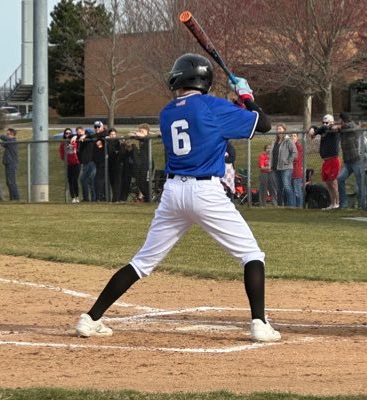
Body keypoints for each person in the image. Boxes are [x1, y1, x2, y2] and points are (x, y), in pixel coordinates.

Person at [75, 53, 280, 342]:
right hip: (206, 192)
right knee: (251, 255)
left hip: (172, 193)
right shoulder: (211, 106)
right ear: (205, 80)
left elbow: (206, 122)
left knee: (142, 262)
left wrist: (235, 104)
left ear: (179, 77)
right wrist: (246, 96)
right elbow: (265, 125)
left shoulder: (167, 111)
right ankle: (259, 323)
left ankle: (90, 318)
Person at [308, 114, 341, 210]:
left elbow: (330, 128)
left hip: (333, 159)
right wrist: (312, 128)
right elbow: (316, 128)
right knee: (328, 183)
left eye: (327, 122)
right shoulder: (323, 130)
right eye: (324, 122)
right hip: (325, 161)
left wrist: (316, 130)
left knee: (333, 182)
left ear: (331, 122)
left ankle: (337, 203)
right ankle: (332, 203)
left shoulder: (333, 130)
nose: (325, 124)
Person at [335, 112, 366, 210]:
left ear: (344, 120)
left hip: (357, 160)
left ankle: (362, 206)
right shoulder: (343, 129)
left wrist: (339, 126)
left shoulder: (352, 127)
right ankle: (343, 204)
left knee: (360, 184)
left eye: (340, 120)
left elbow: (351, 125)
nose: (339, 121)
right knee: (340, 178)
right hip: (348, 162)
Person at [269, 124, 297, 207]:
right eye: (277, 129)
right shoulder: (274, 142)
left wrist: (288, 161)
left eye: (280, 129)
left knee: (287, 186)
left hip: (286, 167)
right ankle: (280, 205)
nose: (278, 131)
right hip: (275, 168)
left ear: (284, 130)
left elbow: (294, 152)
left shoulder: (288, 141)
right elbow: (272, 154)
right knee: (279, 188)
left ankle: (291, 205)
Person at [129, 123, 154, 202]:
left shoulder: (147, 138)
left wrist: (137, 133)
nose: (140, 132)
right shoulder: (141, 139)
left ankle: (149, 198)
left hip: (148, 164)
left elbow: (140, 136)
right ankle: (143, 197)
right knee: (139, 183)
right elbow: (131, 134)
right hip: (141, 164)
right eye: (139, 130)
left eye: (142, 131)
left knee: (145, 183)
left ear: (147, 132)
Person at [59, 128, 80, 203]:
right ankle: (73, 197)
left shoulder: (75, 140)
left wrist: (75, 137)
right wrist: (65, 159)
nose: (68, 135)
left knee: (75, 180)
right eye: (66, 133)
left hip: (76, 163)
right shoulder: (63, 143)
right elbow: (61, 153)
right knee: (70, 181)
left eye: (69, 133)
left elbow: (81, 135)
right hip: (69, 164)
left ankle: (77, 196)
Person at [0, 127, 20, 201]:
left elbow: (2, 137)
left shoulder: (12, 141)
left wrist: (6, 136)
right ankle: (12, 199)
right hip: (8, 163)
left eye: (8, 133)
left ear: (12, 134)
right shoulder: (9, 141)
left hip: (11, 163)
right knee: (8, 182)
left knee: (11, 181)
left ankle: (16, 198)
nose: (7, 135)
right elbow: (3, 144)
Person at [77, 126, 96, 202]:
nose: (79, 134)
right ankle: (86, 198)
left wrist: (85, 135)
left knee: (90, 179)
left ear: (84, 131)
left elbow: (92, 134)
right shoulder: (80, 140)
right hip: (85, 163)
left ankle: (93, 198)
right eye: (78, 133)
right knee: (83, 180)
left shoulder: (88, 137)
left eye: (80, 132)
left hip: (91, 162)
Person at [106, 127, 123, 202]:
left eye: (114, 134)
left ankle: (116, 198)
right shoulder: (108, 142)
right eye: (111, 134)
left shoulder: (118, 141)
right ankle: (115, 197)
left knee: (117, 181)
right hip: (110, 163)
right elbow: (110, 151)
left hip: (118, 163)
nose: (113, 136)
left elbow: (117, 151)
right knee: (112, 181)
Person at [291, 133, 303, 208]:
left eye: (294, 136)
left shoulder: (298, 146)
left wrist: (289, 159)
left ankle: (300, 206)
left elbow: (296, 158)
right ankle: (294, 206)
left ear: (297, 138)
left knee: (297, 191)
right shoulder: (290, 146)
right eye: (291, 136)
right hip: (290, 172)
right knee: (292, 191)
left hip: (296, 172)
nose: (293, 137)